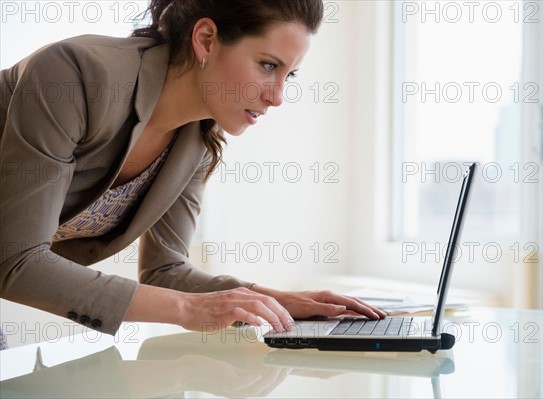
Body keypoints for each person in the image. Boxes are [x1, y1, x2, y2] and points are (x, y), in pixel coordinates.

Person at [0, 0, 385, 338]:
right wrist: (187, 310)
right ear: (205, 39)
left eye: (290, 75)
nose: (278, 96)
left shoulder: (197, 140)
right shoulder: (75, 75)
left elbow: (165, 269)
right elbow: (16, 259)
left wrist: (274, 300)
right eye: (268, 65)